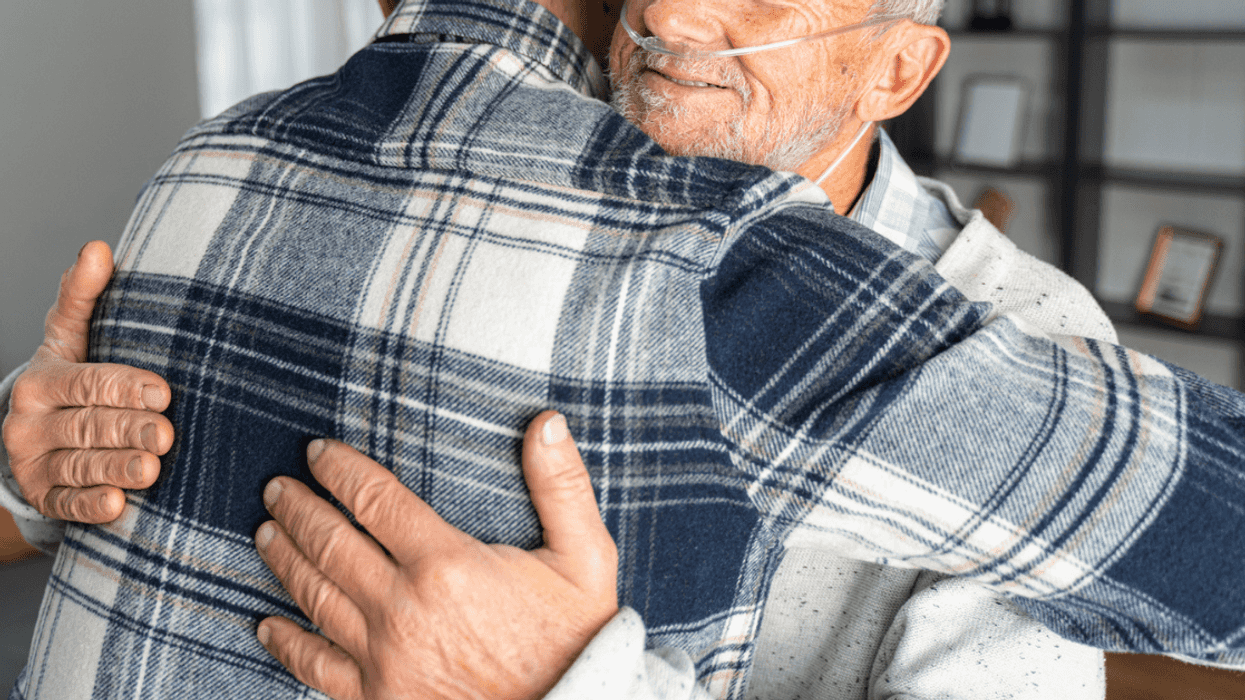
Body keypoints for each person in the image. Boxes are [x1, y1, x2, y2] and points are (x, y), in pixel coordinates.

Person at [4, 0, 1245, 698]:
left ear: (897, 69)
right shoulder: (487, 177)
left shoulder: (1030, 344)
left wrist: (557, 684)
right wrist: (44, 449)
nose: (669, 11)